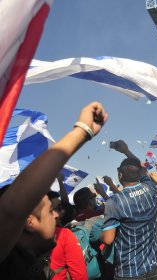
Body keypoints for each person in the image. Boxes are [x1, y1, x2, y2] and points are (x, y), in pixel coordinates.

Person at [0, 102, 108, 279]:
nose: (58, 215)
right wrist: (82, 131)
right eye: (50, 210)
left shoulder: (31, 262)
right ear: (28, 221)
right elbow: (11, 208)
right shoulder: (9, 264)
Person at [100, 141, 157, 280]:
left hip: (129, 272)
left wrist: (99, 235)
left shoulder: (114, 201)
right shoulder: (150, 189)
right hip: (154, 267)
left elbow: (108, 239)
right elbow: (144, 170)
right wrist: (126, 151)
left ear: (120, 175)